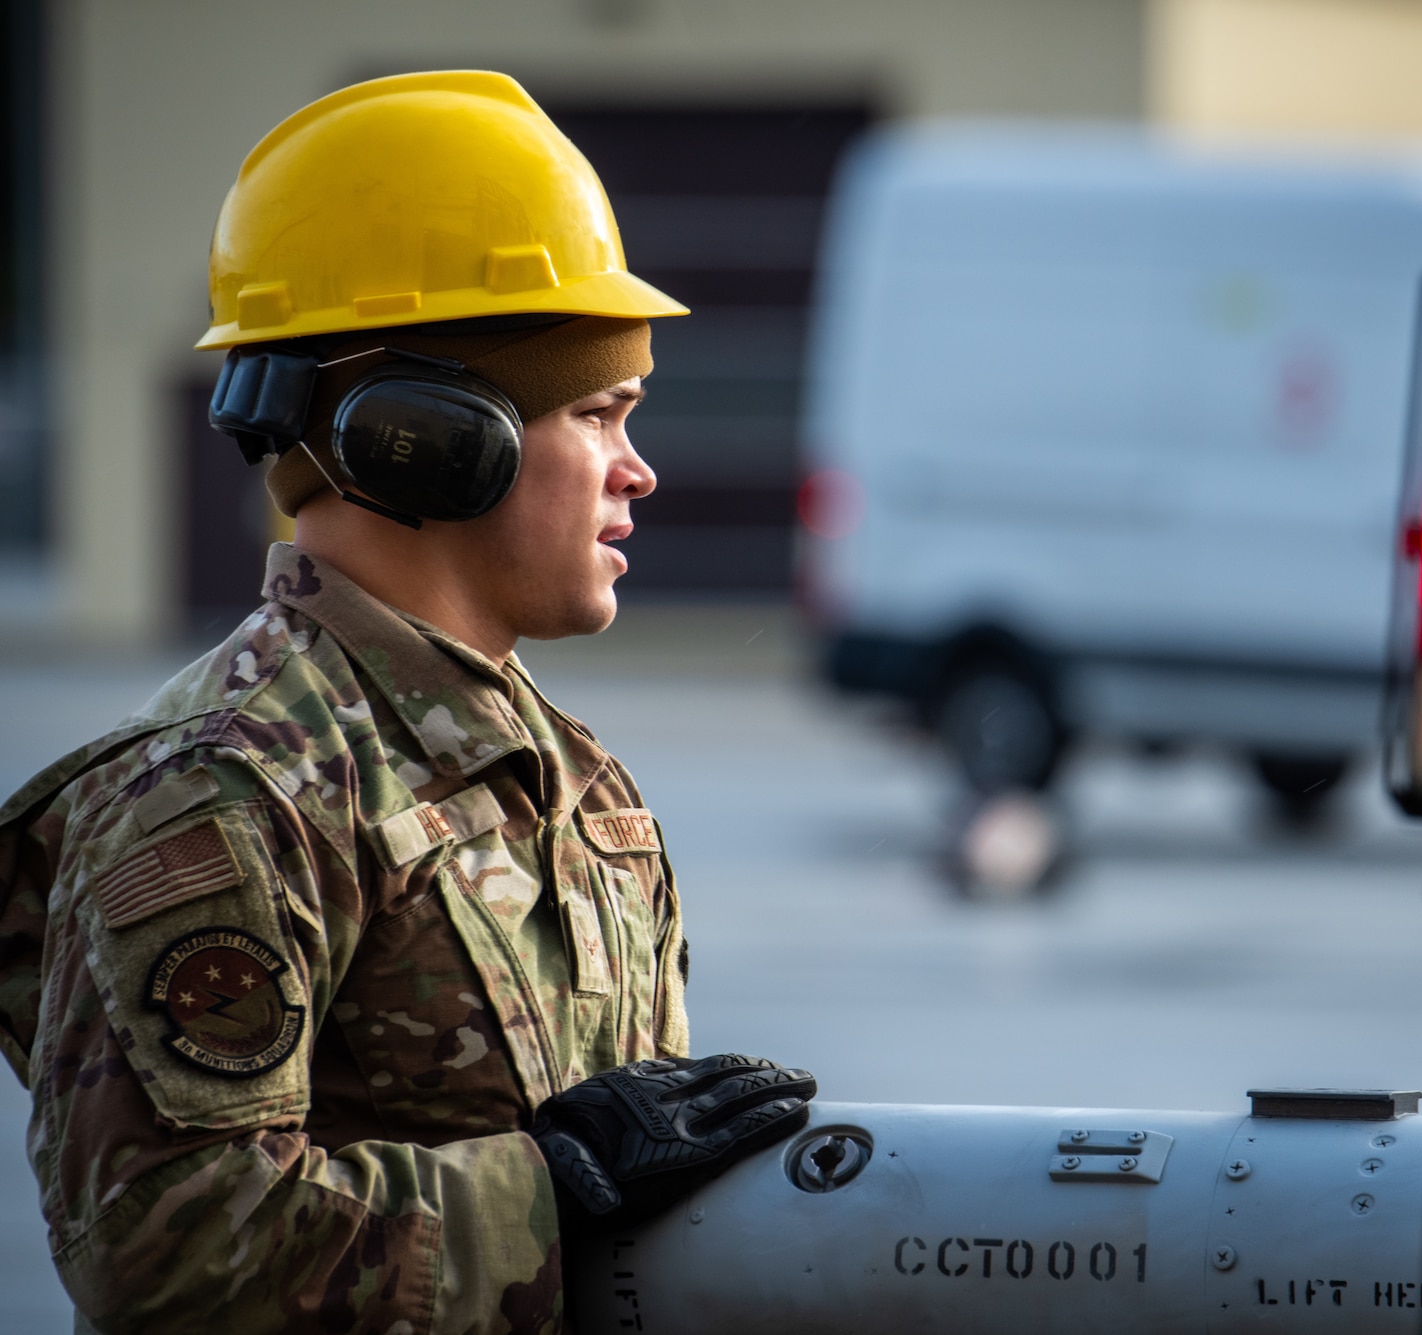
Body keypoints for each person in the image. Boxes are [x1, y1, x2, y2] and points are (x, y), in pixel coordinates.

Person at [0, 71, 815, 1333]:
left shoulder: (566, 776)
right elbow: (165, 1251)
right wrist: (553, 1188)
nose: (638, 470)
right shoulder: (222, 794)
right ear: (429, 437)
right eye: (599, 411)